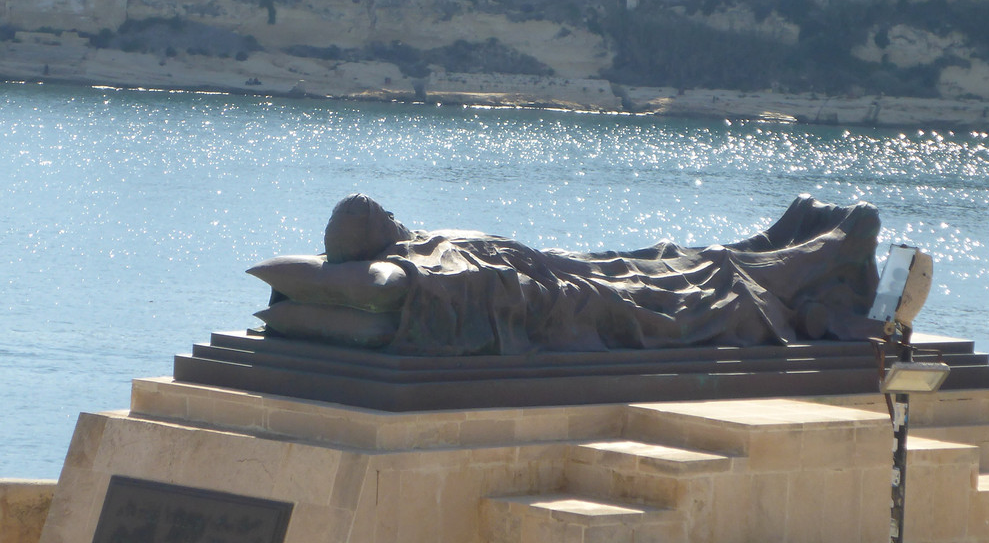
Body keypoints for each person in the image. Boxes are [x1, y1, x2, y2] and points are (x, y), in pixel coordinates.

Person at [249, 194, 883, 356]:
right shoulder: (411, 276)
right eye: (371, 213)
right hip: (573, 301)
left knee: (661, 261)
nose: (384, 208)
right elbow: (386, 290)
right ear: (370, 239)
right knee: (696, 288)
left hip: (567, 271)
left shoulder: (419, 247)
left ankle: (790, 241)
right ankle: (834, 249)